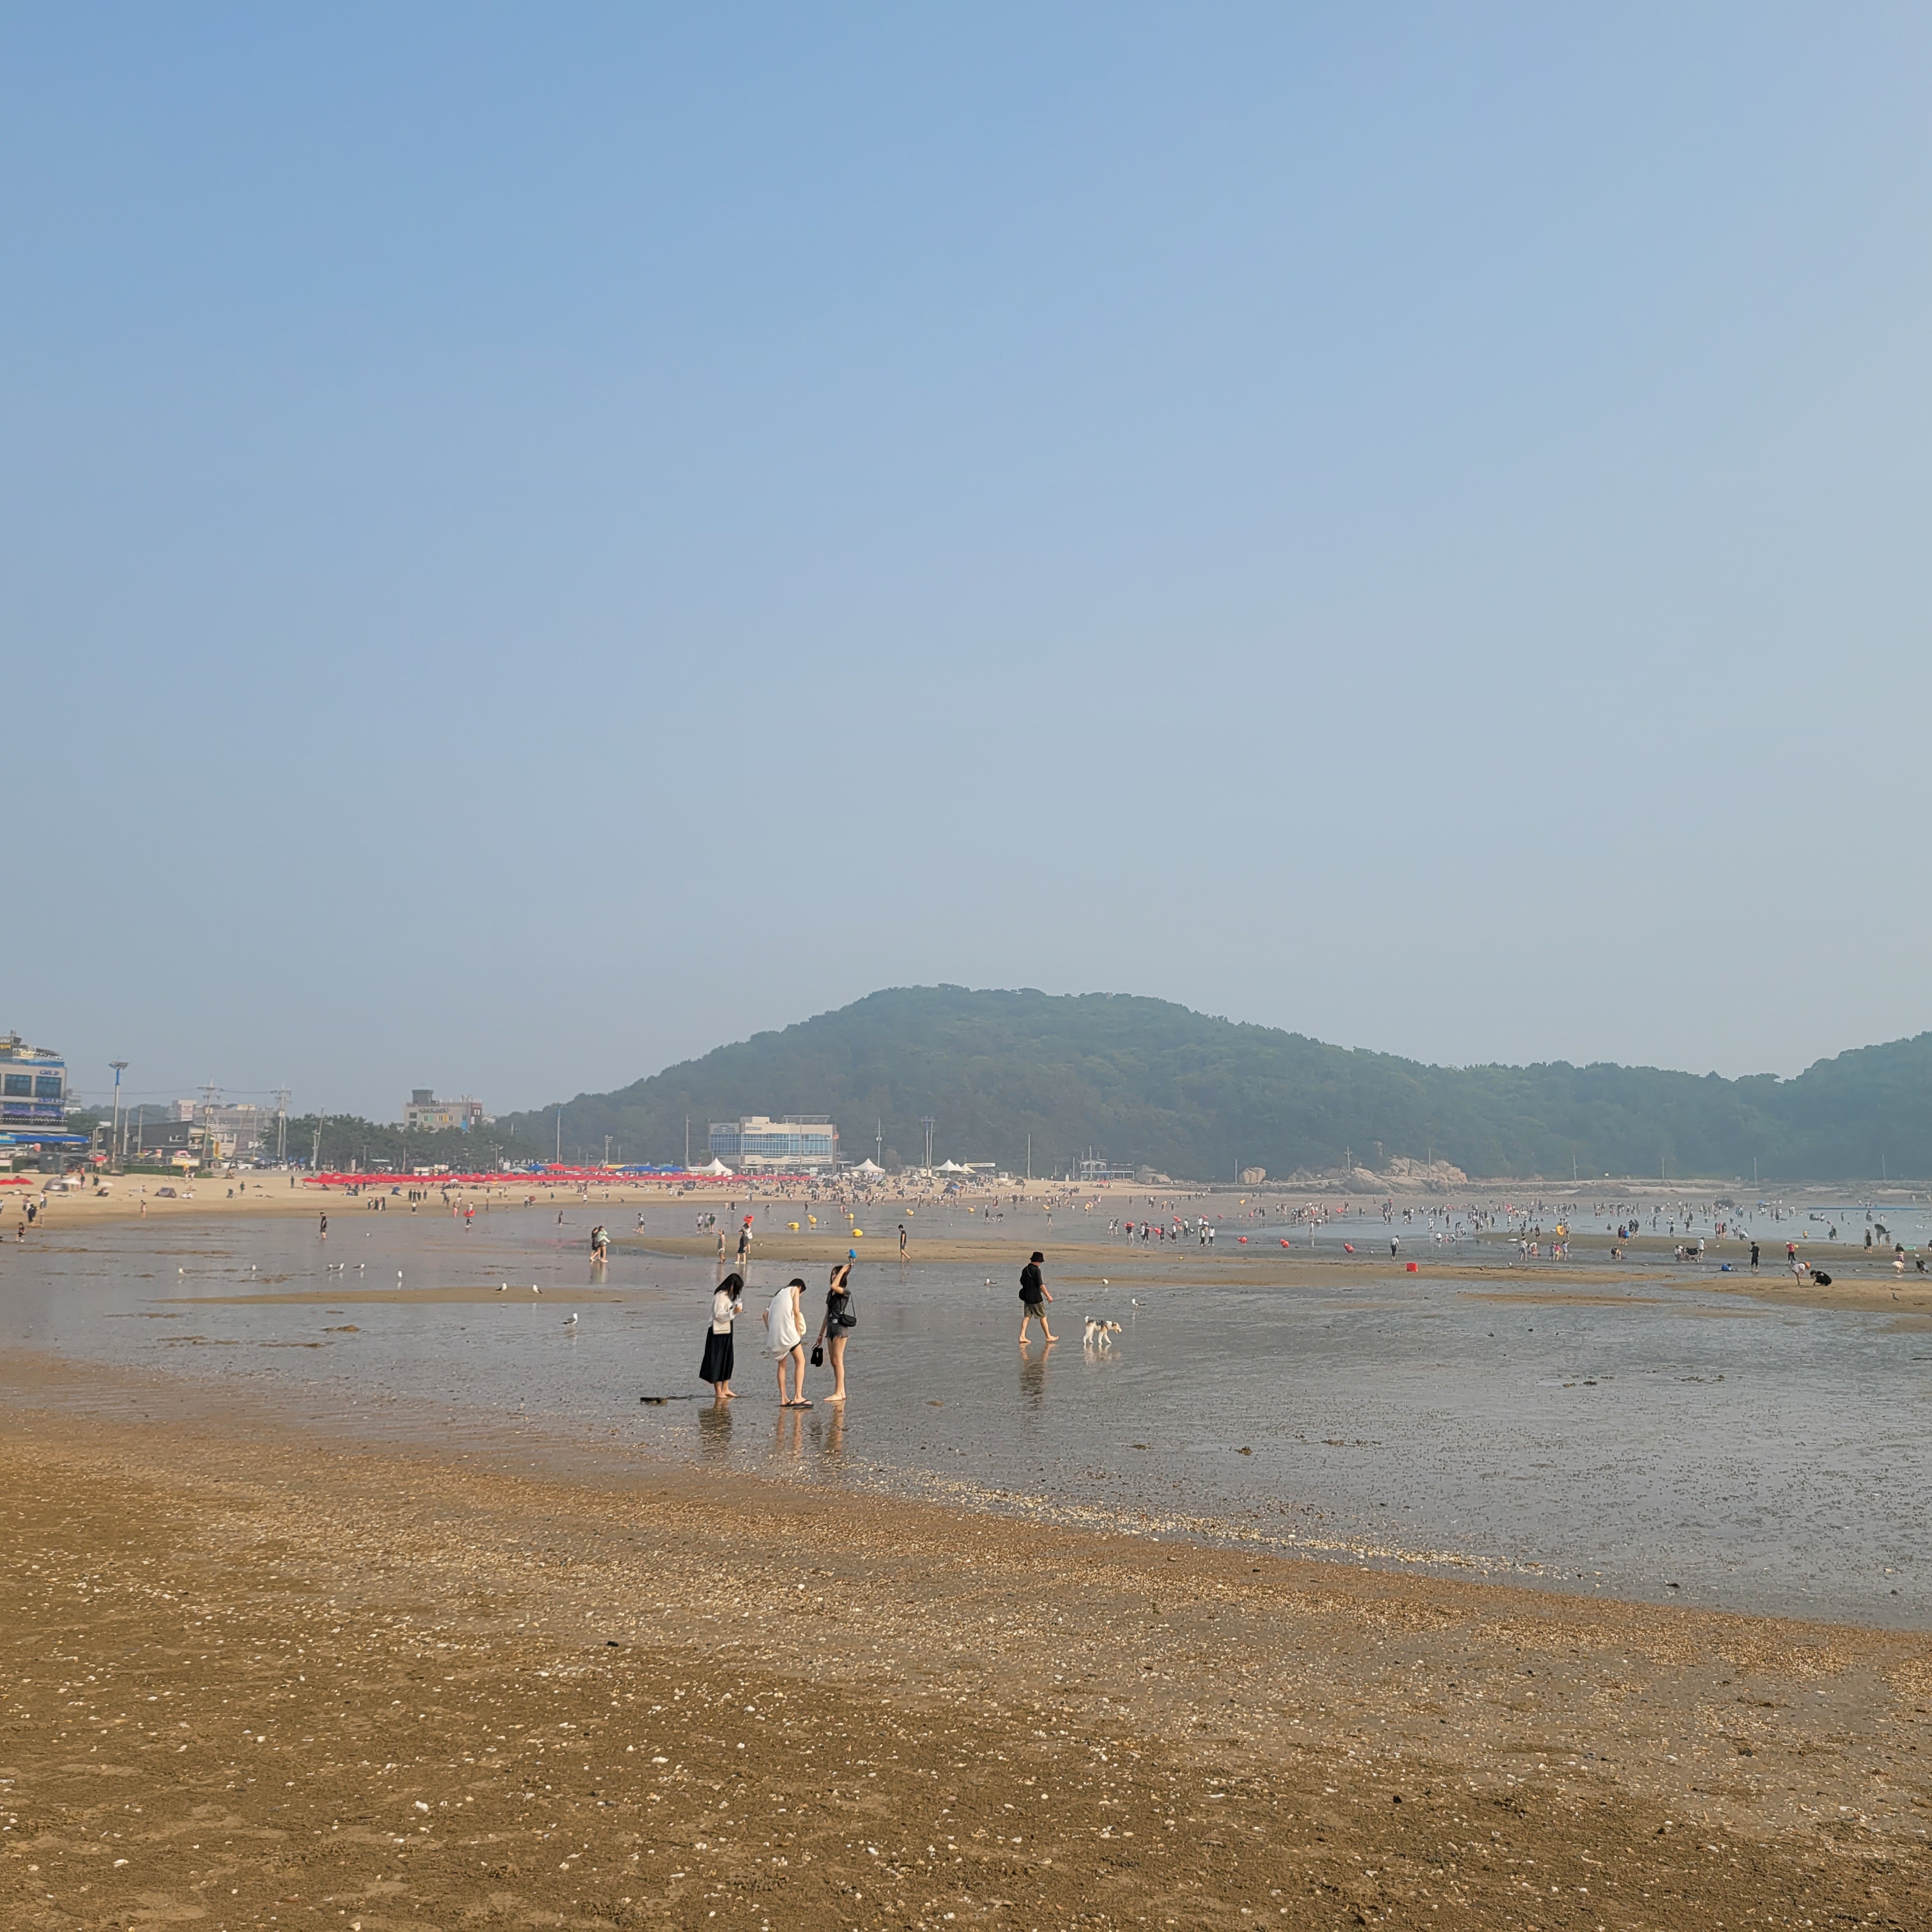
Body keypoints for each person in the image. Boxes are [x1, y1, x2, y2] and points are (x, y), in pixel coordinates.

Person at [765, 1276, 810, 1407]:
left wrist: (771, 1331)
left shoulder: (778, 1295)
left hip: (776, 1336)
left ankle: (784, 1398)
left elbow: (765, 1315)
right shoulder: (795, 1289)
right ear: (800, 1288)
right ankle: (798, 1396)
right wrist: (798, 1332)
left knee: (782, 1365)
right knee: (801, 1361)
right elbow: (796, 1312)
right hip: (789, 1334)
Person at [815, 1259, 855, 1404]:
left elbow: (835, 1286)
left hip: (840, 1328)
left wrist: (844, 1270)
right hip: (831, 1328)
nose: (833, 1276)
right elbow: (827, 1314)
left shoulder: (845, 1291)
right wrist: (821, 1334)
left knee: (838, 1360)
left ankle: (838, 1392)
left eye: (836, 1274)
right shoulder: (831, 1294)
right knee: (833, 1361)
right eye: (832, 1274)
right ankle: (841, 1391)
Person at [700, 1272, 744, 1402]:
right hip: (717, 1331)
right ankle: (718, 1390)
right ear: (731, 1285)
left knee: (727, 1358)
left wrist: (734, 1311)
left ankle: (726, 1387)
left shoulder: (730, 1297)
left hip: (727, 1329)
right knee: (716, 1359)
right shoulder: (720, 1296)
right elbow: (718, 1315)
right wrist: (733, 1312)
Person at [1018, 1250, 1055, 1345]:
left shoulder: (1026, 1269)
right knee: (1043, 1316)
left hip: (1026, 1297)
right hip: (1035, 1298)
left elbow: (1022, 1281)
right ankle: (1048, 1336)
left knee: (1027, 1317)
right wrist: (1048, 1296)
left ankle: (1022, 1336)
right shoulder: (1036, 1270)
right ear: (1038, 1261)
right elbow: (1041, 1285)